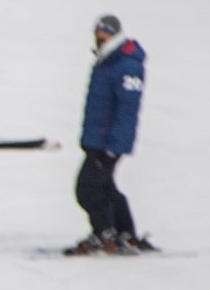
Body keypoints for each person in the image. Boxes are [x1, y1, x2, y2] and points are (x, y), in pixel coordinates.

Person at [66, 15, 155, 255]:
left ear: (115, 35)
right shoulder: (107, 60)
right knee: (105, 186)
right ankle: (124, 233)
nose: (100, 38)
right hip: (98, 139)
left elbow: (127, 110)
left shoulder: (126, 64)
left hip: (108, 142)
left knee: (87, 189)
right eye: (97, 33)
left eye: (104, 34)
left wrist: (114, 145)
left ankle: (104, 233)